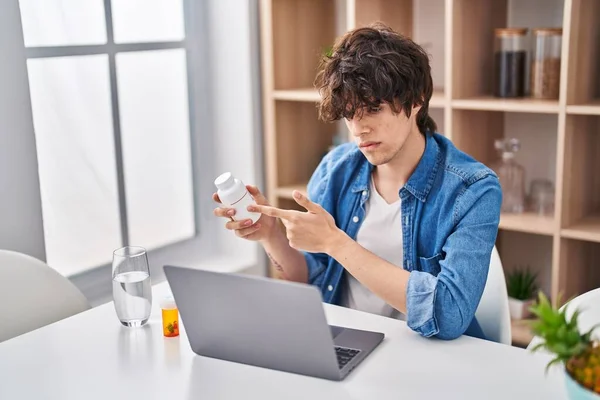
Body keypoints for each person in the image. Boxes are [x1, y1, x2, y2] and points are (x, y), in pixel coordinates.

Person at [213, 23, 501, 340]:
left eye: (373, 109)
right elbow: (313, 281)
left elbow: (449, 315)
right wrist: (271, 237)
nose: (358, 129)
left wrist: (335, 242)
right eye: (350, 114)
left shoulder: (473, 189)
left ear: (417, 100)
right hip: (348, 343)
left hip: (429, 356)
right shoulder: (336, 169)